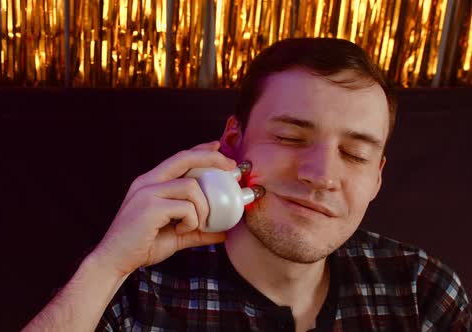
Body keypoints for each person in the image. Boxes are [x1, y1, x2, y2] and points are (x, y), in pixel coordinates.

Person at [23, 38, 471, 331]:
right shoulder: (133, 294)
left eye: (355, 154)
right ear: (234, 143)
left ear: (377, 178)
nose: (321, 175)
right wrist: (106, 265)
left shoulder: (421, 290)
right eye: (291, 137)